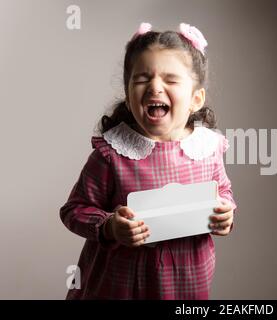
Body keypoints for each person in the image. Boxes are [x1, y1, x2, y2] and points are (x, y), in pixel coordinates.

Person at [60, 22, 237, 299]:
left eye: (170, 79)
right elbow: (73, 210)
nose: (155, 87)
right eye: (142, 79)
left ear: (196, 98)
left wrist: (226, 210)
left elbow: (222, 191)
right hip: (120, 285)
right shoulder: (113, 153)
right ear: (129, 98)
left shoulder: (207, 148)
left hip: (185, 282)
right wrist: (109, 226)